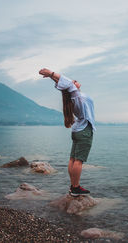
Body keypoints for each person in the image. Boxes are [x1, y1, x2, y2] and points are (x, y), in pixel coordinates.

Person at [39, 68, 96, 197]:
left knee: (73, 159)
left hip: (77, 130)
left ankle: (73, 186)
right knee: (79, 161)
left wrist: (51, 78)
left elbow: (66, 85)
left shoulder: (73, 97)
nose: (74, 81)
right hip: (84, 131)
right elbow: (68, 84)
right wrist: (51, 74)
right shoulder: (77, 98)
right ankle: (75, 187)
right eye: (73, 82)